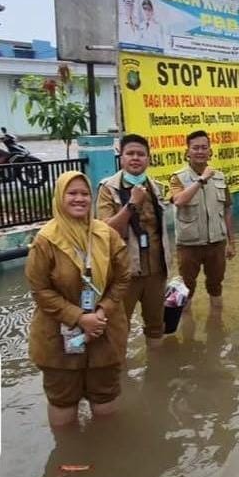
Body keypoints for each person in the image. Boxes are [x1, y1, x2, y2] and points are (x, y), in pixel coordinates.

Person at [26, 171, 131, 427]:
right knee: (63, 399)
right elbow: (40, 290)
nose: (79, 199)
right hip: (59, 335)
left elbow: (123, 278)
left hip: (104, 330)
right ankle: (67, 456)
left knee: (105, 394)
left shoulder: (106, 235)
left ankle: (107, 455)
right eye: (71, 193)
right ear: (59, 198)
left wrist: (102, 312)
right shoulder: (46, 240)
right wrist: (79, 317)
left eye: (84, 194)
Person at [96, 134, 171, 349]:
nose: (135, 158)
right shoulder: (107, 189)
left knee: (157, 326)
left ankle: (156, 375)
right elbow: (105, 230)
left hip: (156, 271)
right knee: (118, 328)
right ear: (121, 158)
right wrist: (131, 204)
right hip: (124, 274)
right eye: (130, 153)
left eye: (141, 154)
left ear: (148, 158)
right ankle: (120, 378)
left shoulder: (155, 187)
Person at [169, 130, 236, 310]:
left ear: (210, 151)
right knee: (186, 289)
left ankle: (216, 323)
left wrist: (232, 243)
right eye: (195, 148)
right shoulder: (178, 178)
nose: (200, 151)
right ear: (188, 151)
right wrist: (201, 180)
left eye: (204, 148)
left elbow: (227, 209)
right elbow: (179, 201)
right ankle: (187, 327)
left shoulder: (220, 177)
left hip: (216, 243)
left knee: (216, 286)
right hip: (189, 245)